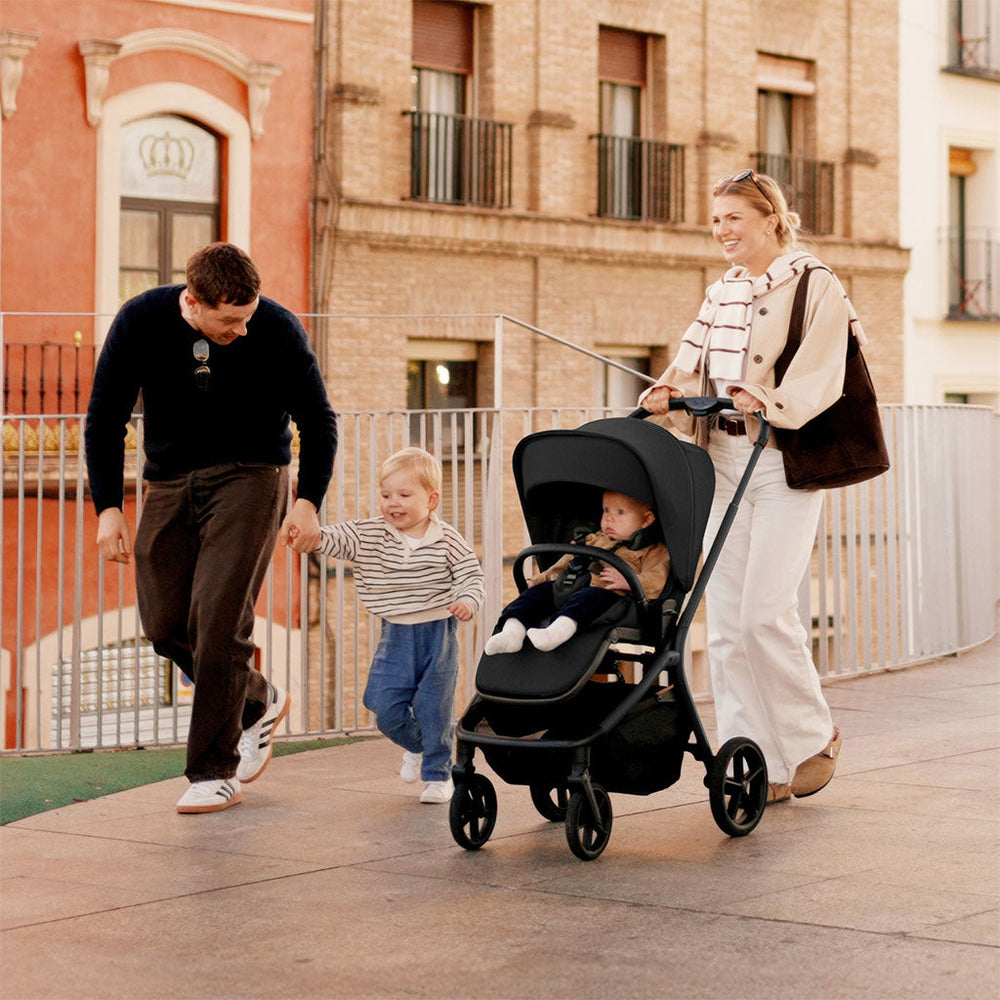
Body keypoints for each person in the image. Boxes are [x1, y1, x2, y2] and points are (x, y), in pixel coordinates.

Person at [85, 242, 337, 814]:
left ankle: (212, 770)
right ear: (193, 302)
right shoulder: (141, 321)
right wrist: (107, 508)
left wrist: (307, 502)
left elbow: (318, 419)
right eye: (229, 321)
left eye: (247, 317)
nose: (242, 331)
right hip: (168, 481)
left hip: (252, 476)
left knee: (219, 616)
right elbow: (105, 418)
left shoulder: (276, 328)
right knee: (165, 622)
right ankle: (257, 701)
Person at [640, 170, 850, 803]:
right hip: (722, 459)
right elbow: (691, 356)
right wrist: (667, 389)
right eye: (715, 219)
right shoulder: (720, 291)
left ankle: (812, 738)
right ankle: (751, 756)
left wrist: (770, 397)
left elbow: (823, 371)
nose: (721, 230)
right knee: (727, 621)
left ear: (770, 220)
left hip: (781, 460)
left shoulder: (814, 283)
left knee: (764, 613)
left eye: (733, 217)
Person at [306, 447, 485, 803]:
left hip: (438, 634)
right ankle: (419, 746)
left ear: (431, 499)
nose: (393, 503)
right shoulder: (371, 533)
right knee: (381, 703)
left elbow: (471, 575)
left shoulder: (447, 538)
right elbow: (335, 538)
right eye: (386, 495)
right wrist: (310, 536)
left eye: (404, 495)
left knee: (435, 706)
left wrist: (467, 601)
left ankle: (438, 775)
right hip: (396, 634)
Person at [485, 490, 670, 655]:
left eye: (620, 512)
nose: (609, 518)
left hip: (611, 596)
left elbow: (657, 579)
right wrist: (542, 579)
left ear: (646, 520)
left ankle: (556, 632)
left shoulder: (653, 550)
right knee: (534, 595)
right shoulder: (595, 539)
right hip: (571, 586)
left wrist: (630, 581)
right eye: (606, 510)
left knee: (587, 599)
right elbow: (566, 562)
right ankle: (512, 633)